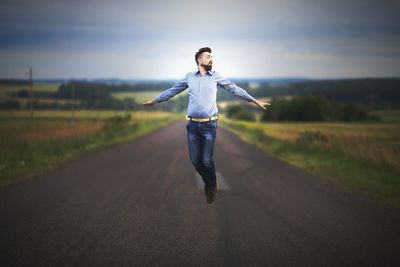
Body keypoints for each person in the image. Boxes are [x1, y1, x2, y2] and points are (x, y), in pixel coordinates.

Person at [143, 47, 270, 204]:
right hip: (192, 126)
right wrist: (155, 101)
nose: (211, 59)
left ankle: (211, 186)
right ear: (199, 60)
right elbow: (173, 91)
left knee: (206, 160)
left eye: (211, 57)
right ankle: (210, 181)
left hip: (209, 125)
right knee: (195, 161)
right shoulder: (189, 77)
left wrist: (255, 101)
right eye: (208, 56)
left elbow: (235, 89)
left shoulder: (215, 77)